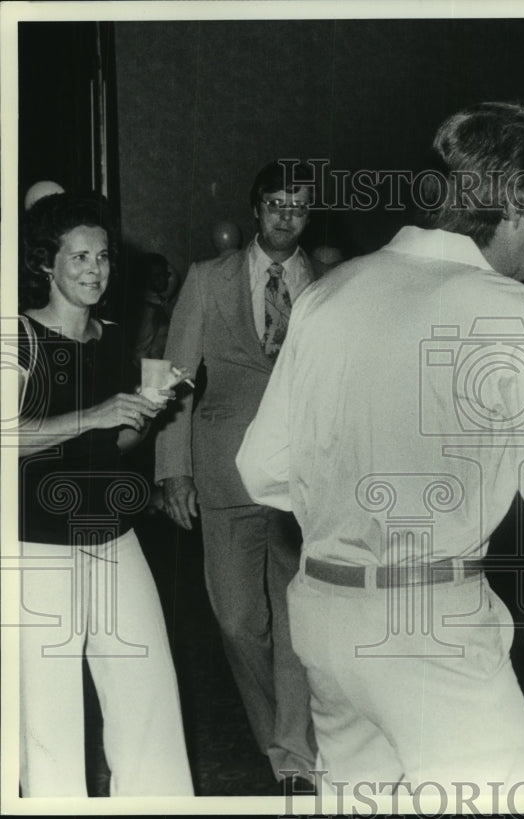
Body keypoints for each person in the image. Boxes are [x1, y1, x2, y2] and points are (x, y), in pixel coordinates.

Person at [235, 100, 524, 795]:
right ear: (514, 206)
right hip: (430, 626)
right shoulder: (515, 313)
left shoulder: (328, 293)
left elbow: (261, 469)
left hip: (324, 615)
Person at [16, 193, 193, 796]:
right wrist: (93, 415)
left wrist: (142, 417)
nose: (96, 269)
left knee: (148, 690)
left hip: (114, 537)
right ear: (46, 263)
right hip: (37, 546)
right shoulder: (18, 338)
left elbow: (110, 446)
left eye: (104, 257)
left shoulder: (116, 339)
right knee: (50, 710)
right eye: (80, 257)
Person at [155, 161, 317, 786]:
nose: (285, 216)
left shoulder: (331, 283)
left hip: (303, 481)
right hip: (223, 474)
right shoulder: (205, 278)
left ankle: (292, 757)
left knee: (297, 619)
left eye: (298, 206)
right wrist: (172, 469)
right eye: (275, 203)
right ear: (256, 209)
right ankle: (283, 730)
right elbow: (172, 378)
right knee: (237, 620)